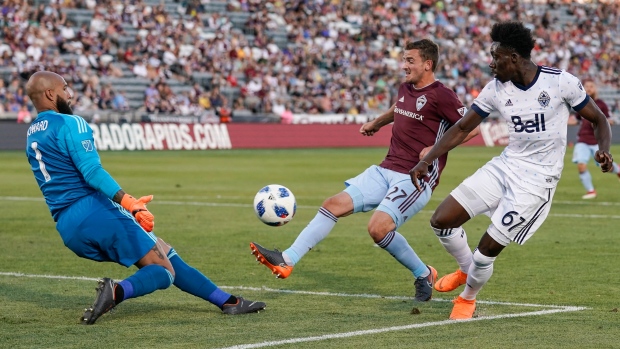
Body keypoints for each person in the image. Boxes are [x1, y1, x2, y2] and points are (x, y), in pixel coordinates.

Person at [25, 71, 266, 325]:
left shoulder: (32, 133)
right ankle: (116, 292)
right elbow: (92, 172)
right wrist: (130, 203)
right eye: (65, 88)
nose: (70, 94)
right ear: (51, 94)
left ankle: (228, 302)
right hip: (94, 211)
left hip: (68, 227)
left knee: (162, 250)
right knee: (164, 271)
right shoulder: (70, 123)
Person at [409, 21, 614, 320]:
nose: (491, 63)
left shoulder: (561, 83)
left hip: (537, 181)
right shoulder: (495, 89)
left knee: (485, 251)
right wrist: (427, 159)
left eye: (496, 57)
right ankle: (466, 271)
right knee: (441, 221)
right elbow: (463, 126)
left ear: (514, 58)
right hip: (505, 166)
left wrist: (603, 149)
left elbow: (598, 120)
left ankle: (467, 298)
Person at [250, 39, 480, 302]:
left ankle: (423, 273)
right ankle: (287, 259)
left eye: (410, 60)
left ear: (428, 64)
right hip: (385, 168)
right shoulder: (405, 88)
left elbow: (471, 127)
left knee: (378, 228)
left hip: (416, 177)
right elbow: (400, 108)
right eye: (404, 59)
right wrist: (377, 122)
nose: (404, 65)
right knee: (332, 205)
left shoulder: (443, 95)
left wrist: (434, 149)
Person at [568, 79, 620, 199]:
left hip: (597, 141)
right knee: (581, 165)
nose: (589, 88)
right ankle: (591, 191)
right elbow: (577, 120)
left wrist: (605, 122)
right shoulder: (580, 104)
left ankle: (617, 169)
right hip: (582, 140)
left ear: (595, 88)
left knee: (606, 165)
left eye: (591, 86)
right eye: (587, 86)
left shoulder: (601, 104)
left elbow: (609, 120)